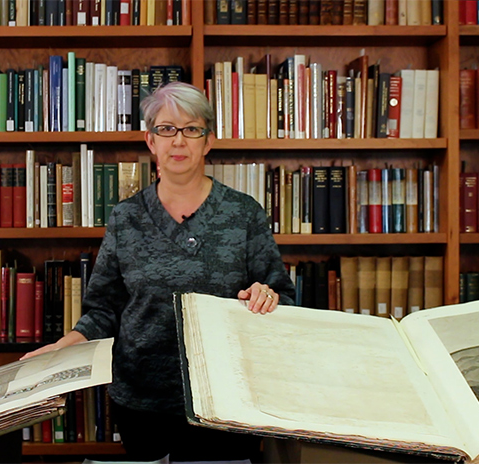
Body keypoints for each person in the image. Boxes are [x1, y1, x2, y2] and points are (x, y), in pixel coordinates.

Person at [21, 81, 295, 461]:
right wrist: (64, 345)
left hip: (227, 401)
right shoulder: (126, 218)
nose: (178, 141)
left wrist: (268, 296)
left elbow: (283, 297)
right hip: (142, 404)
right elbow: (103, 310)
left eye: (191, 129)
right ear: (151, 141)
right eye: (166, 129)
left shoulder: (244, 213)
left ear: (208, 141)